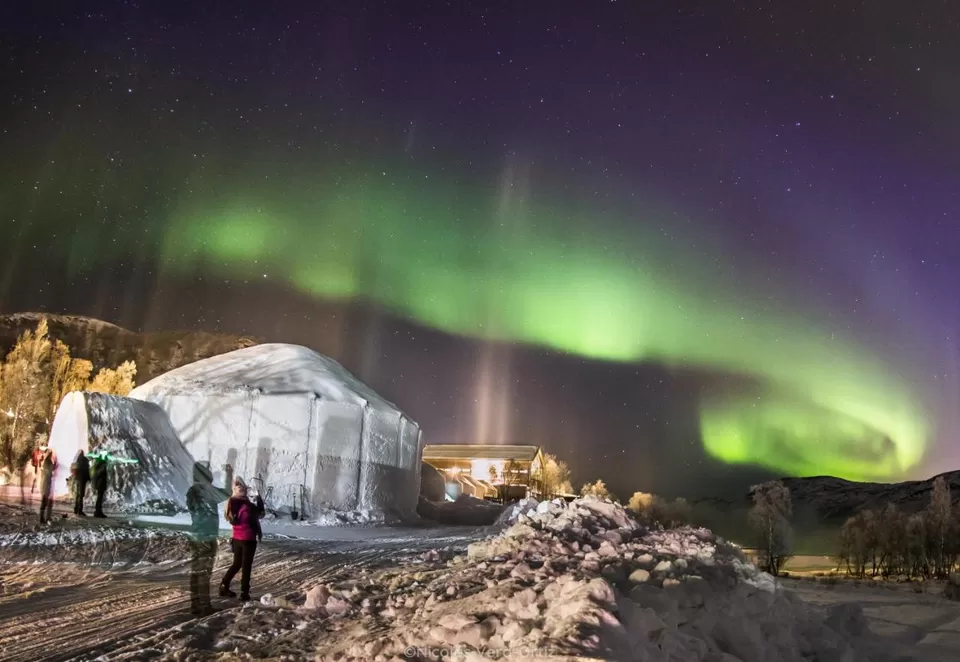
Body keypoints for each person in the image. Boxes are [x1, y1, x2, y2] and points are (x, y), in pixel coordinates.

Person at [186, 462, 228, 616]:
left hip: (195, 534)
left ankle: (195, 604)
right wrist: (229, 474)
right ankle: (205, 606)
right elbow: (227, 493)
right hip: (207, 536)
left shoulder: (192, 491)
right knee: (204, 573)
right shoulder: (206, 490)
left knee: (195, 572)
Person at [219, 477, 264, 601]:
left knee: (237, 564)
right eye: (244, 489)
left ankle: (224, 585)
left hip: (237, 538)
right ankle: (244, 592)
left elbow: (231, 519)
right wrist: (259, 500)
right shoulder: (246, 504)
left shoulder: (232, 501)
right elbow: (261, 514)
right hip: (248, 539)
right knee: (246, 565)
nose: (245, 491)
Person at [37, 444, 57, 524]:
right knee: (45, 501)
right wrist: (55, 464)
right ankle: (42, 518)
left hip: (45, 483)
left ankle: (43, 517)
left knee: (45, 501)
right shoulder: (48, 461)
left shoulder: (46, 461)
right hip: (46, 483)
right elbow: (50, 470)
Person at [72, 450, 91, 516]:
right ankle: (80, 510)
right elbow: (87, 470)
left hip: (77, 479)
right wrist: (89, 478)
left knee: (77, 494)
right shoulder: (85, 460)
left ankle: (76, 509)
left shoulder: (76, 461)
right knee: (81, 495)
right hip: (82, 479)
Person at [92, 454, 109, 518]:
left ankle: (98, 511)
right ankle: (98, 512)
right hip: (100, 484)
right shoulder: (100, 465)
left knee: (100, 498)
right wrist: (103, 468)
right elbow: (98, 474)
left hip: (100, 484)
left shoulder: (99, 464)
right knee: (99, 498)